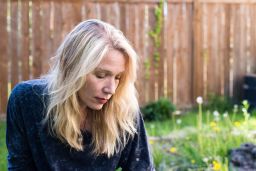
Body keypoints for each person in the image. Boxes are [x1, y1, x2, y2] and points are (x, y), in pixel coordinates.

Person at [6, 19, 154, 171]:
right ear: (70, 67)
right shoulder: (27, 100)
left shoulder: (123, 109)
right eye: (101, 75)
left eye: (117, 78)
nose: (111, 89)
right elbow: (20, 165)